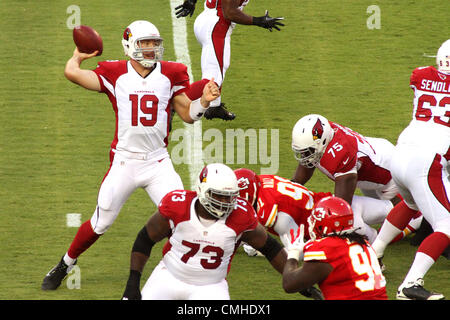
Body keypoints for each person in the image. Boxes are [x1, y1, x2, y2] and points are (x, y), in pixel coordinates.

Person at [41, 20, 220, 291]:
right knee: (101, 222)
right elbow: (72, 73)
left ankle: (176, 275)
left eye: (154, 43)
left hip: (158, 161)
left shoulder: (171, 73)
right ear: (129, 46)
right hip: (125, 161)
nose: (150, 49)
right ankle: (66, 262)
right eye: (144, 43)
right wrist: (78, 55)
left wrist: (204, 102)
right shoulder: (115, 73)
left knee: (180, 219)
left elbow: (187, 114)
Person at [121, 163, 287, 300]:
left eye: (229, 196)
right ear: (202, 190)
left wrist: (293, 275)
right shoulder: (177, 206)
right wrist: (133, 282)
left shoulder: (241, 216)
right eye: (218, 196)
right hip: (168, 276)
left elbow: (270, 248)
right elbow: (145, 239)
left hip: (211, 287)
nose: (225, 202)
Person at [371, 39, 450, 300]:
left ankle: (374, 254)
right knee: (447, 225)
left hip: (402, 151)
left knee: (411, 203)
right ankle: (410, 285)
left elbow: (431, 82)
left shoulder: (420, 75)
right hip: (426, 162)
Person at [175, 0, 285, 120]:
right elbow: (229, 12)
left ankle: (214, 107)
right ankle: (173, 103)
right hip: (216, 27)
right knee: (212, 81)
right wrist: (259, 21)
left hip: (209, 21)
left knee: (219, 68)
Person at [234, 168, 399, 248]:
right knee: (393, 210)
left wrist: (260, 245)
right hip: (333, 202)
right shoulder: (262, 180)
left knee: (378, 242)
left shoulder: (269, 209)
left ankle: (413, 226)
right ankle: (418, 220)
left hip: (328, 223)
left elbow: (295, 248)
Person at [282, 196, 388, 300]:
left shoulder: (325, 248)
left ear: (322, 224)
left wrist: (293, 254)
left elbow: (289, 284)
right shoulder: (364, 243)